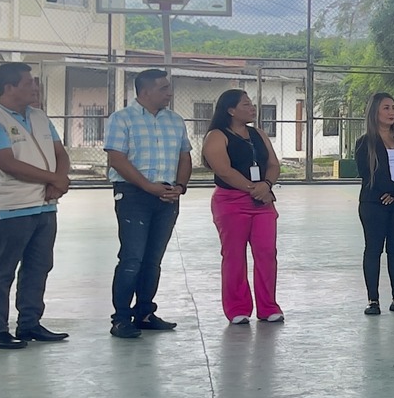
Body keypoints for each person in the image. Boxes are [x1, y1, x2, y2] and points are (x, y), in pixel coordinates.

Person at [0, 63, 70, 349]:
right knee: (2, 271)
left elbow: (60, 153)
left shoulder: (39, 116)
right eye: (29, 83)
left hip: (45, 206)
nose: (35, 88)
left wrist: (58, 180)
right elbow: (7, 163)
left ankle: (29, 323)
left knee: (39, 267)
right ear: (9, 87)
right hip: (12, 207)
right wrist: (53, 179)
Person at [104, 67, 192, 339]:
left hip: (167, 196)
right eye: (164, 88)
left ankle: (145, 312)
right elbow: (117, 159)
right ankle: (121, 319)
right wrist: (148, 186)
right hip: (134, 195)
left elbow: (185, 156)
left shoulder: (175, 120)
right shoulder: (122, 119)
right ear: (145, 91)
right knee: (132, 258)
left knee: (153, 259)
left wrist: (180, 187)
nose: (170, 93)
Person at [202, 89, 282, 325]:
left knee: (267, 252)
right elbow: (224, 170)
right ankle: (237, 308)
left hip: (262, 200)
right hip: (231, 202)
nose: (252, 108)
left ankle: (268, 307)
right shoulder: (217, 136)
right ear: (230, 110)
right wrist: (253, 188)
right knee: (234, 255)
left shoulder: (258, 134)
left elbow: (273, 164)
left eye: (252, 104)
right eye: (246, 104)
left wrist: (266, 185)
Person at [355, 92, 394, 315]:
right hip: (374, 203)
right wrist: (391, 190)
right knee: (373, 250)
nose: (392, 112)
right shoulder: (364, 143)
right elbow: (367, 173)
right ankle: (373, 300)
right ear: (375, 112)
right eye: (386, 108)